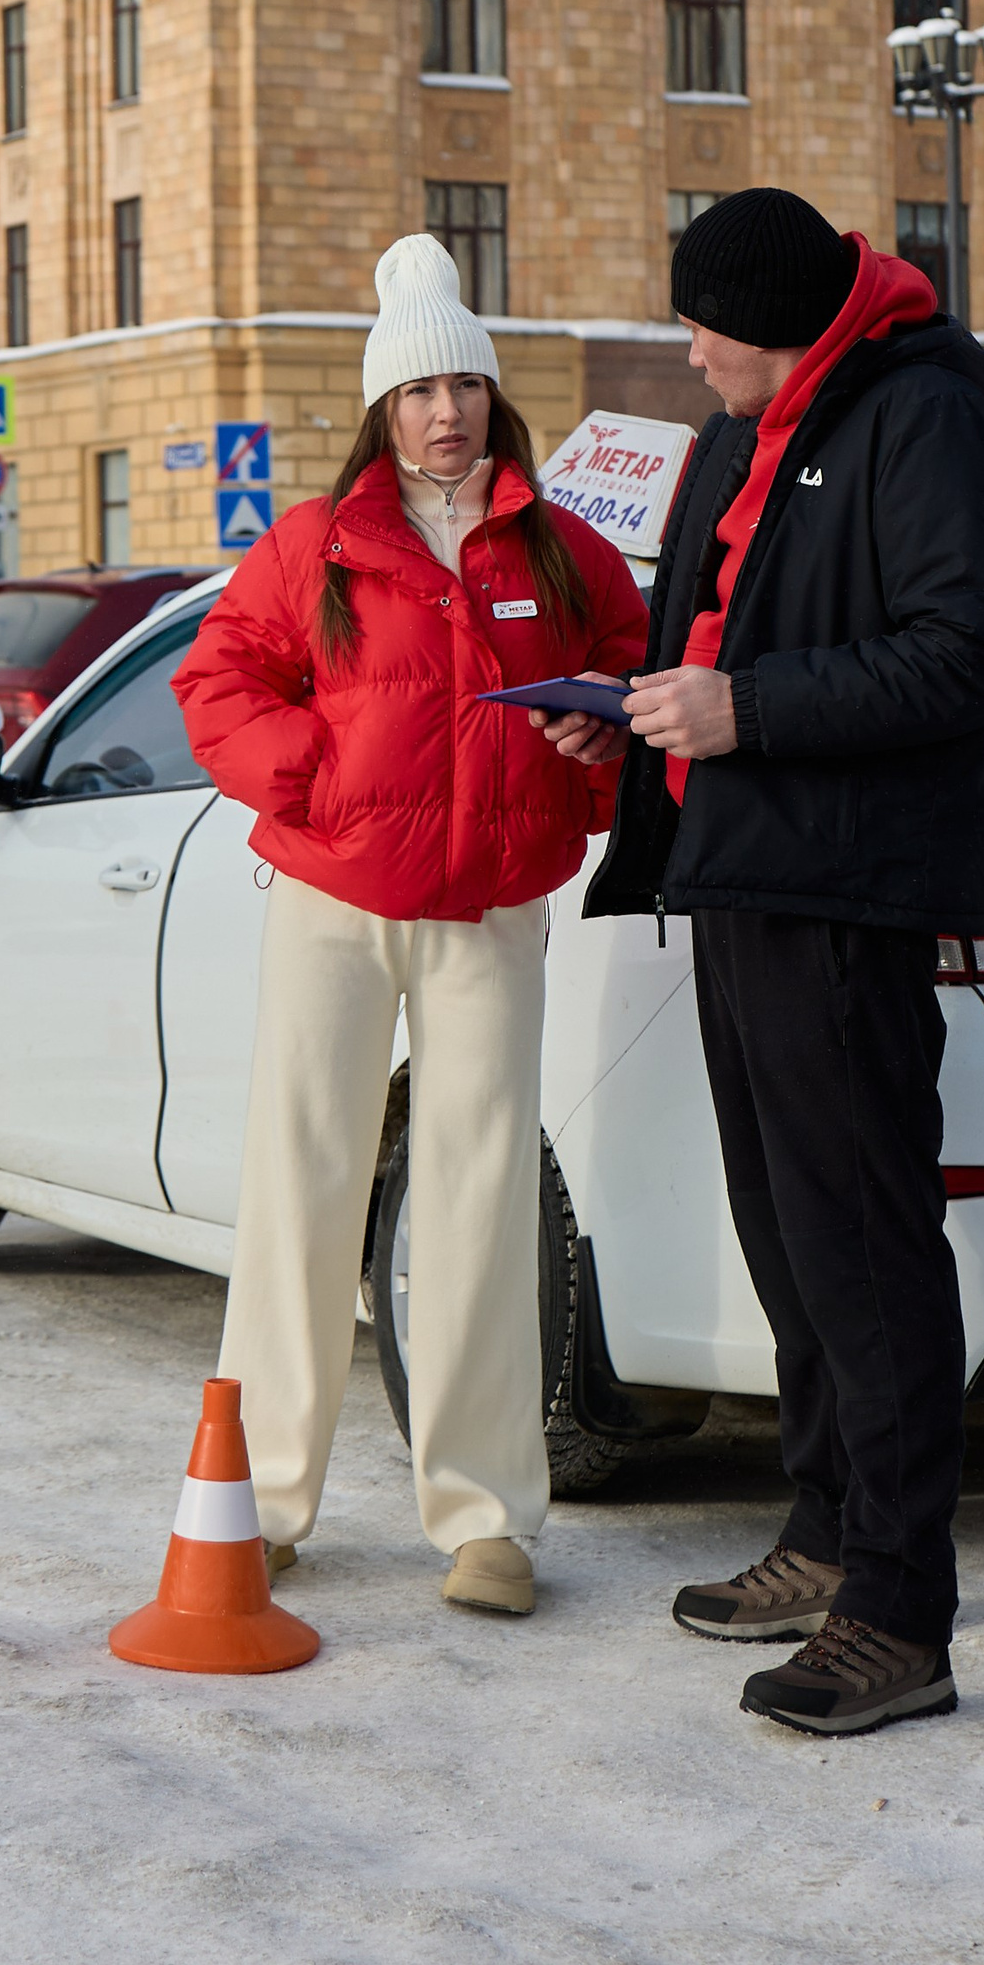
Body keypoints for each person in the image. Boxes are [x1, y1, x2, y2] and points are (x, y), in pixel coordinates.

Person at [582, 186, 984, 1735]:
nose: (688, 349)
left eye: (704, 323)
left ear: (779, 320)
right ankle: (830, 1527)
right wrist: (636, 712)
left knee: (865, 1240)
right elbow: (711, 633)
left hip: (851, 883)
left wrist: (743, 712)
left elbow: (971, 653)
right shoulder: (737, 434)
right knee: (785, 1225)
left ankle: (901, 1615)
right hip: (742, 873)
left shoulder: (927, 416)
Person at [173, 234, 648, 1615]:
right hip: (333, 903)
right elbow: (218, 681)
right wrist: (307, 778)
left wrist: (592, 738)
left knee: (479, 1204)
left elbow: (629, 677)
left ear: (497, 400)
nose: (447, 411)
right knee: (299, 1189)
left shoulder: (562, 551)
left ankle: (488, 1521)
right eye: (419, 389)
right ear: (383, 411)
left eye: (466, 386)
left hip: (493, 914)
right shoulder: (318, 544)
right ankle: (260, 1500)